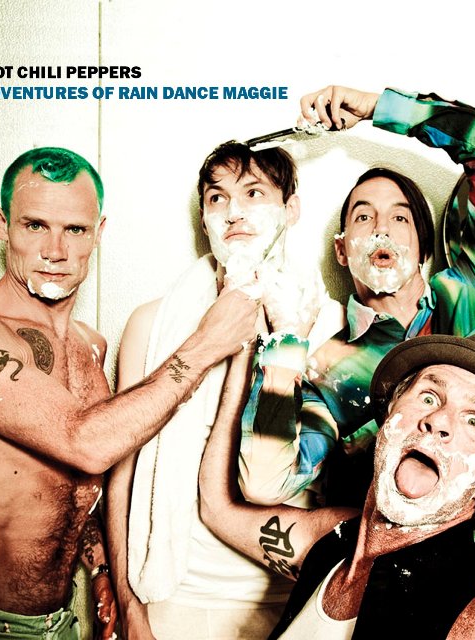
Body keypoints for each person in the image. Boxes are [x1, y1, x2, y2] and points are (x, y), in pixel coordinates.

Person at [238, 85, 475, 633]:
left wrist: (377, 108)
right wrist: (285, 341)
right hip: (434, 616)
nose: (381, 229)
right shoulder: (332, 367)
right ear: (342, 250)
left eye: (400, 218)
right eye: (363, 217)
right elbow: (267, 483)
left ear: (424, 246)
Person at [0, 146, 257, 639]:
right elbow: (85, 442)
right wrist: (207, 343)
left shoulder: (91, 346)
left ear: (98, 232)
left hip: (60, 623)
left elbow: (74, 482)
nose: (55, 250)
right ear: (2, 224)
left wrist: (101, 570)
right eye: (35, 225)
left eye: (75, 230)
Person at [106, 140, 345, 639]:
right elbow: (121, 472)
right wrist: (128, 604)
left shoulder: (332, 329)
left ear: (291, 209)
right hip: (173, 597)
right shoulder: (152, 325)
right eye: (218, 198)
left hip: (290, 597)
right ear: (204, 219)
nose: (234, 212)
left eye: (254, 193)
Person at [200, 330, 475, 639]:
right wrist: (241, 350)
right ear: (389, 415)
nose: (438, 420)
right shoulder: (333, 538)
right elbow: (218, 508)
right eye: (428, 397)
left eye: (474, 419)